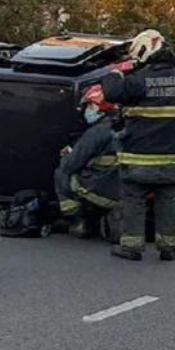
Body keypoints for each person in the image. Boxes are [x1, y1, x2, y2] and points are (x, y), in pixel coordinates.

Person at [101, 29, 175, 262]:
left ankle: (131, 247)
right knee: (168, 200)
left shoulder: (140, 80)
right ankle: (169, 247)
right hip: (171, 157)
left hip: (139, 156)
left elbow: (111, 93)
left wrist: (116, 72)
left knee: (133, 200)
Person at [55, 85, 121, 239]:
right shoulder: (126, 126)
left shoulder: (96, 132)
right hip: (126, 189)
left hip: (101, 188)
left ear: (101, 107)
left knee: (61, 172)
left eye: (91, 105)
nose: (87, 110)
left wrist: (69, 154)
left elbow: (70, 165)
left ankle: (77, 220)